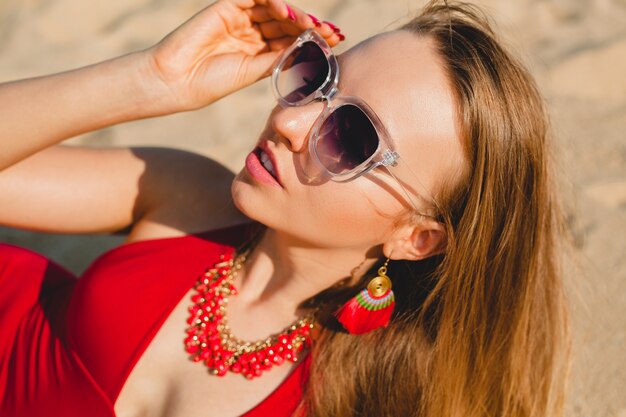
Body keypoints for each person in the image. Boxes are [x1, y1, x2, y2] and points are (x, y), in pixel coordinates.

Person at [0, 0, 570, 416]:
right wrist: (153, 79)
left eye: (350, 135)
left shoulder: (350, 399)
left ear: (417, 238)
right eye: (317, 78)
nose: (289, 121)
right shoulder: (191, 195)